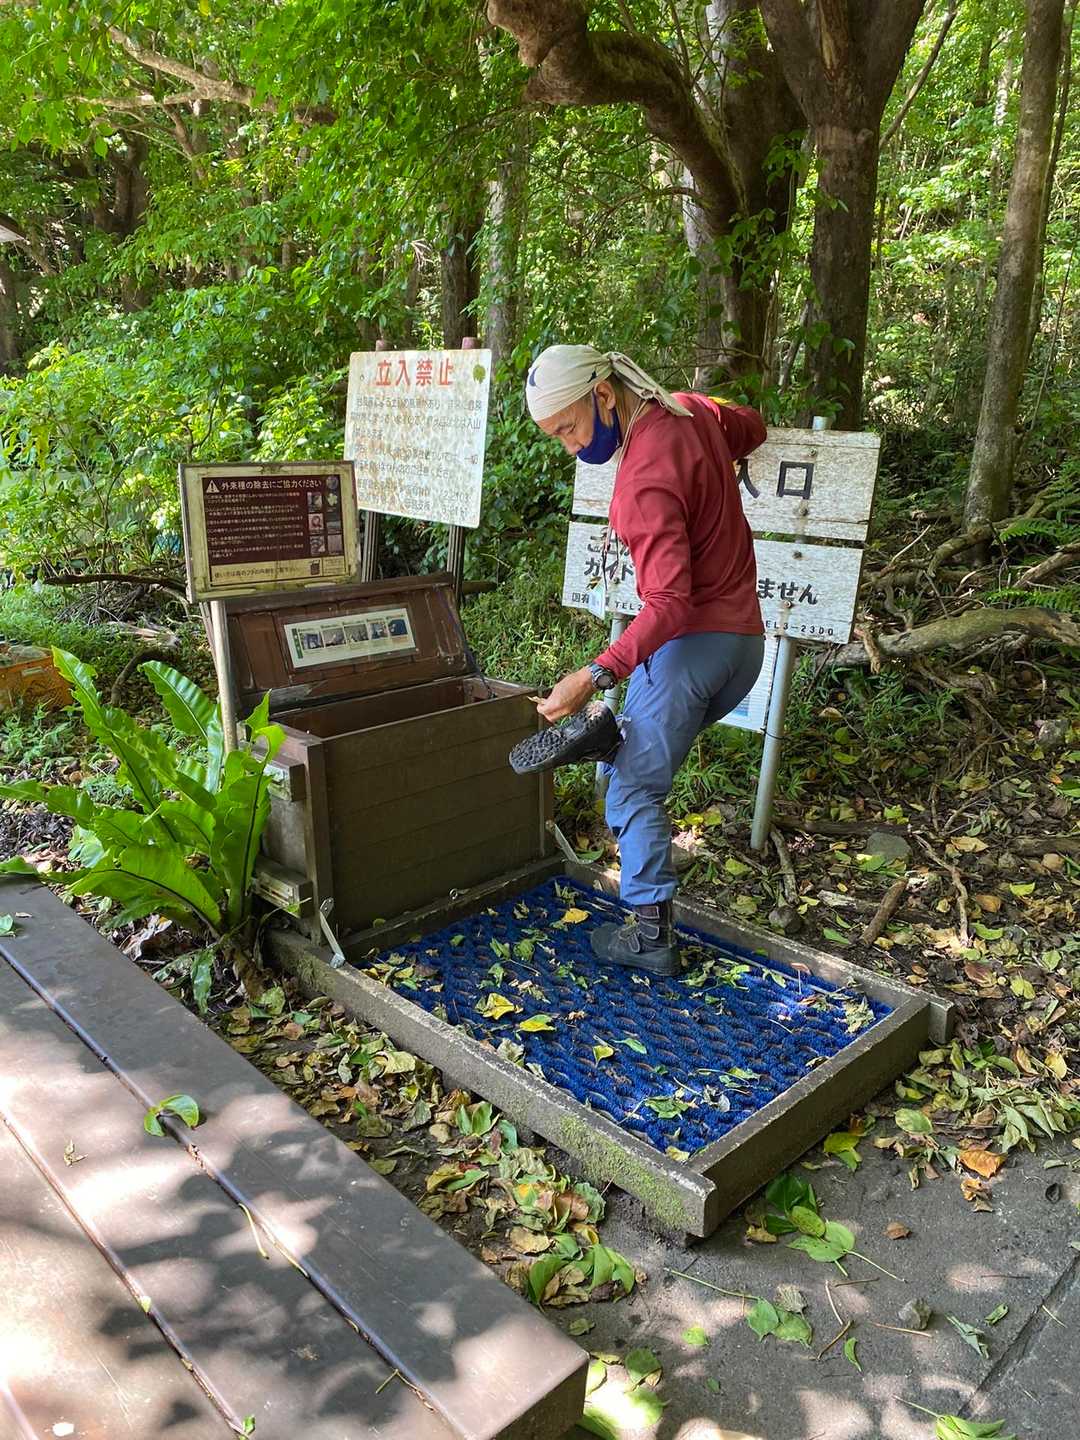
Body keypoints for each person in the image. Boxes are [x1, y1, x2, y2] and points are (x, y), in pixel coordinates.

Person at [525, 343, 766, 976]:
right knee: (634, 758)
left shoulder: (643, 481)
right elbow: (751, 425)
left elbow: (670, 604)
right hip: (745, 646)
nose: (571, 448)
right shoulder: (690, 411)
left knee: (630, 787)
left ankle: (652, 937)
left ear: (604, 395)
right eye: (557, 438)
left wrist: (593, 674)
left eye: (569, 429)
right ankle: (616, 744)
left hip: (691, 650)